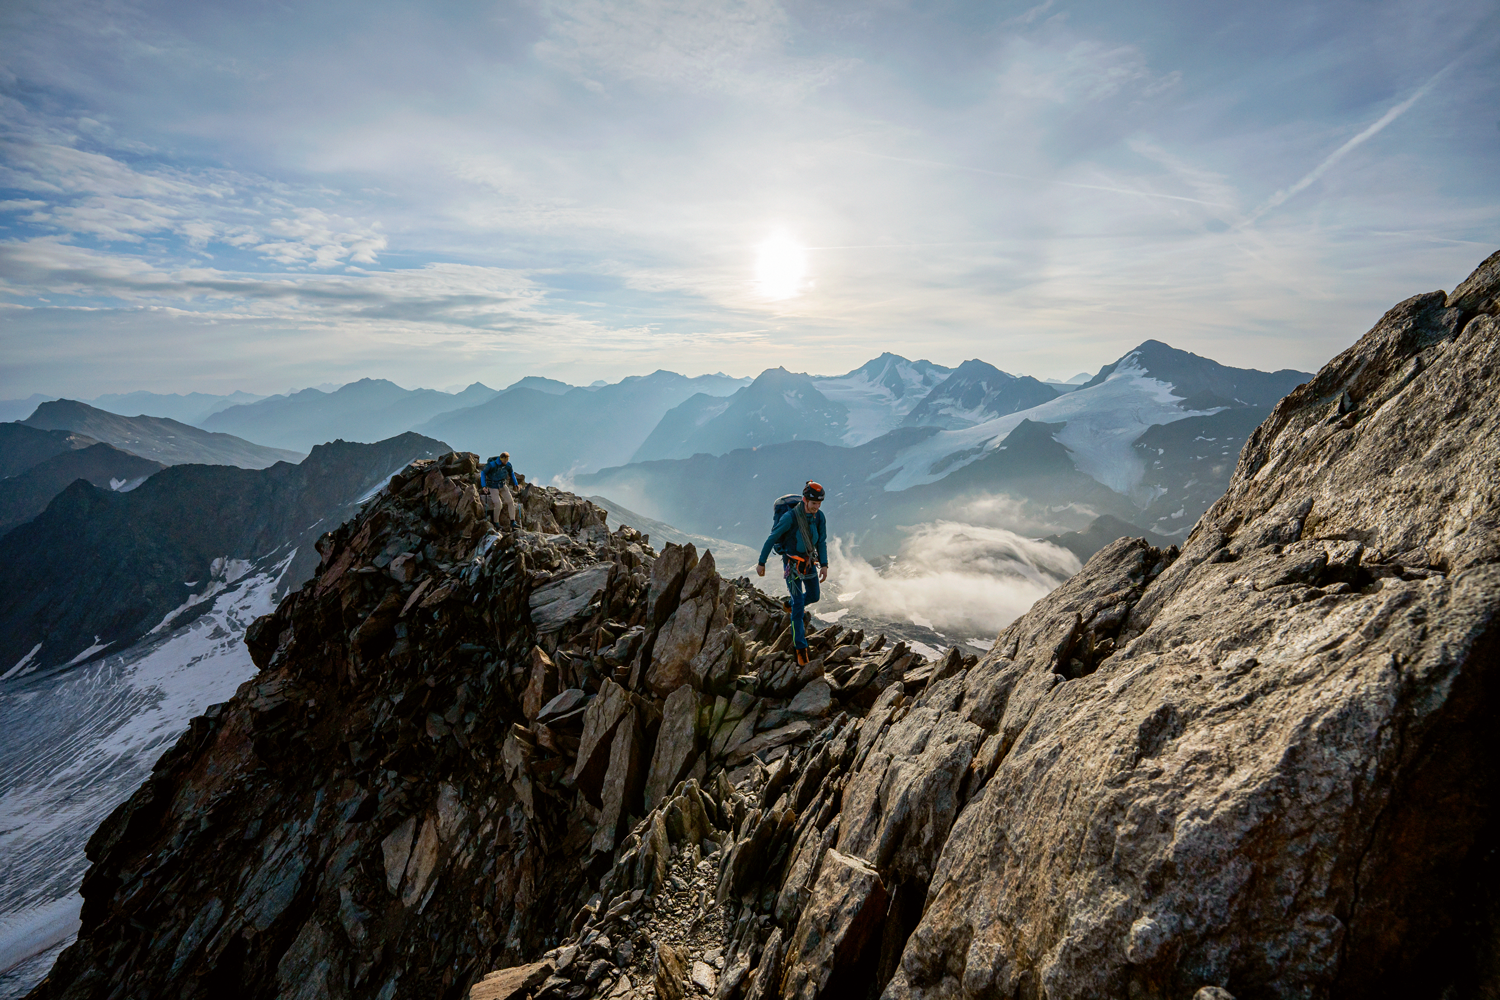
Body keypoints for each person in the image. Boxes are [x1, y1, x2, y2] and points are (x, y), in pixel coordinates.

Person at [757, 481, 828, 665]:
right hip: (792, 566)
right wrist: (761, 562)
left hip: (809, 562)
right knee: (798, 606)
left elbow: (821, 542)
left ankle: (788, 603)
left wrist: (825, 564)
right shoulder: (790, 517)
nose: (816, 508)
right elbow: (772, 538)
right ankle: (800, 649)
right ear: (805, 500)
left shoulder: (819, 517)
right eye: (813, 504)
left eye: (819, 504)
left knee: (814, 596)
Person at [480, 452, 520, 530]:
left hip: (502, 484)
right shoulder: (492, 465)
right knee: (498, 504)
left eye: (507, 460)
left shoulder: (508, 465)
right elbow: (483, 473)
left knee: (511, 502)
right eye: (505, 460)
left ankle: (513, 522)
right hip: (492, 486)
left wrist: (516, 484)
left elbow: (512, 474)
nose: (506, 462)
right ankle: (496, 523)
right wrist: (484, 485)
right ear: (501, 459)